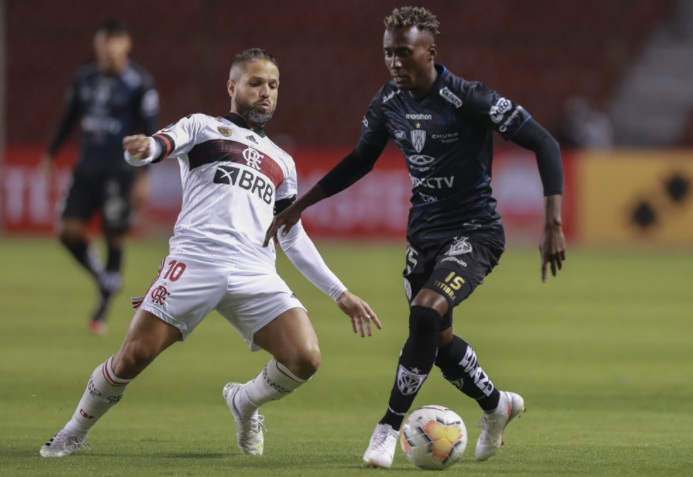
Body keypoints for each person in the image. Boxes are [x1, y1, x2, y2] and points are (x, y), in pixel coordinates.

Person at [39, 48, 381, 458]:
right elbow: (160, 145)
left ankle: (244, 402)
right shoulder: (203, 128)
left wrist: (340, 293)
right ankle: (73, 431)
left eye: (273, 85)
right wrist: (141, 149)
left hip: (255, 271)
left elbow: (290, 234)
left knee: (305, 357)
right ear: (232, 86)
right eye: (255, 83)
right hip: (196, 261)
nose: (266, 92)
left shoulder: (283, 162)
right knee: (133, 356)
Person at [265, 6, 566, 467]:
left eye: (404, 53)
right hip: (423, 237)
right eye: (388, 54)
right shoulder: (388, 103)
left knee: (425, 314)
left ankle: (387, 428)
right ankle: (496, 405)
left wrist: (552, 223)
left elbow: (545, 142)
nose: (394, 63)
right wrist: (301, 205)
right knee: (437, 345)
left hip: (475, 232)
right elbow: (360, 161)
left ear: (430, 51)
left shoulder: (471, 98)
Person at [42, 19, 159, 334]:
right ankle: (105, 278)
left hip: (119, 171)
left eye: (115, 41)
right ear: (97, 45)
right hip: (85, 167)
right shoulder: (84, 77)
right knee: (67, 231)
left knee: (115, 234)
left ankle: (102, 309)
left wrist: (144, 175)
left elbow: (151, 133)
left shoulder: (139, 83)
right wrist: (52, 153)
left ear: (126, 45)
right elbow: (69, 118)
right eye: (104, 41)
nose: (109, 48)